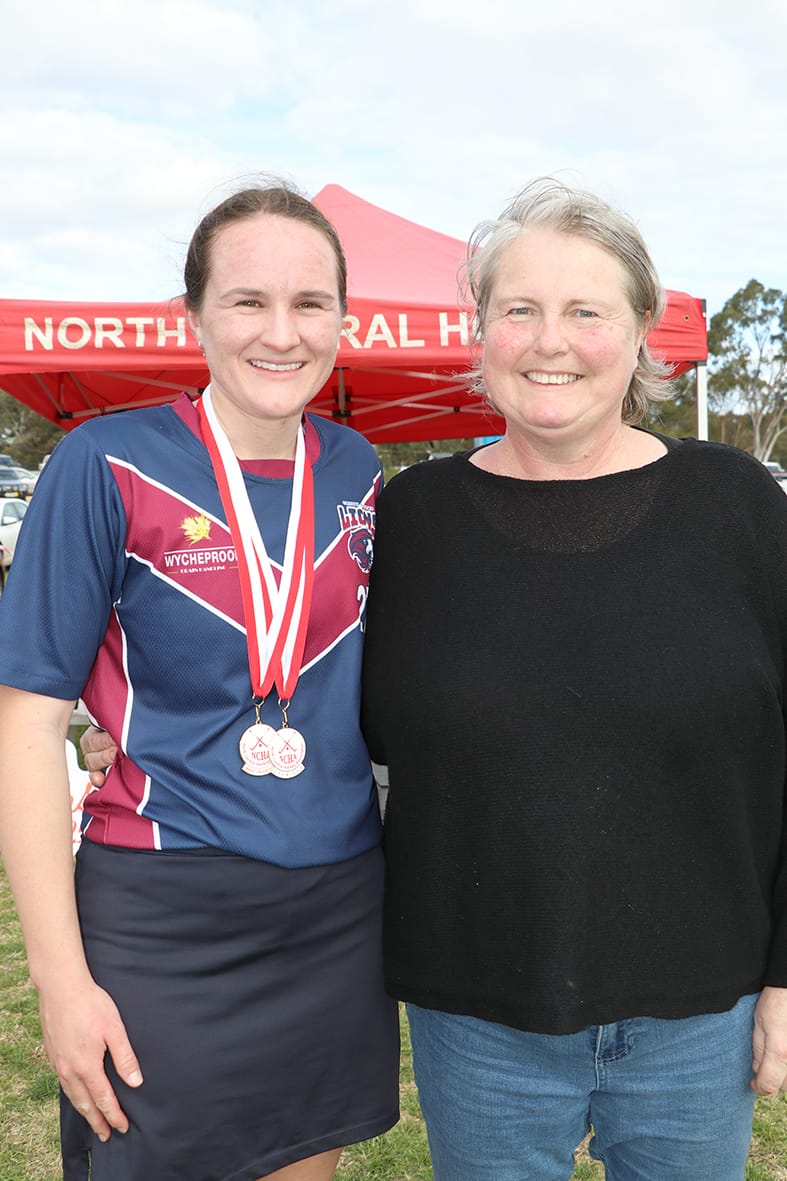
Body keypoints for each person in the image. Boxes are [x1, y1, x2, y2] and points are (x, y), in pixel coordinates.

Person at [359, 179, 787, 1180]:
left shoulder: (737, 507)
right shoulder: (411, 518)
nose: (551, 341)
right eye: (521, 309)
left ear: (641, 330)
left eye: (585, 311)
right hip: (476, 1015)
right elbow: (345, 720)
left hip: (698, 1011)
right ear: (482, 332)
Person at [0, 180, 399, 1181]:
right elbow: (22, 726)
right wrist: (60, 982)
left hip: (336, 905)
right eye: (247, 300)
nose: (282, 330)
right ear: (196, 315)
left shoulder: (355, 465)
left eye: (310, 303)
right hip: (164, 913)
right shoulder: (104, 462)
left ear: (342, 320)